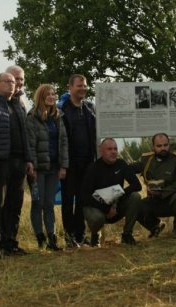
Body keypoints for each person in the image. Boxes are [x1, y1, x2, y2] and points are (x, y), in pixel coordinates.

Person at [0, 72, 34, 257]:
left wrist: (29, 160)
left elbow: (25, 135)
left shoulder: (18, 104)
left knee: (15, 204)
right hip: (0, 162)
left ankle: (10, 242)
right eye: (7, 82)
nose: (12, 85)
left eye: (14, 82)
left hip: (19, 162)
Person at [26, 84, 69, 250]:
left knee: (49, 204)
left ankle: (52, 239)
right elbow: (30, 145)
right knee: (38, 203)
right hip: (38, 169)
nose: (52, 97)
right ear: (41, 96)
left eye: (53, 94)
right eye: (48, 94)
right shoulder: (32, 117)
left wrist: (63, 166)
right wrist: (33, 167)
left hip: (53, 167)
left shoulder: (58, 116)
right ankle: (39, 237)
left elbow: (64, 142)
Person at [80, 138, 142, 246]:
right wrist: (106, 208)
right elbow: (84, 196)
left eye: (115, 149)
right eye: (109, 149)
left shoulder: (121, 164)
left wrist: (118, 197)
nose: (113, 151)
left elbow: (137, 185)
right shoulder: (93, 168)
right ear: (101, 151)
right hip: (98, 208)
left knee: (135, 197)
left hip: (116, 206)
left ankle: (127, 235)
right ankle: (95, 235)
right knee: (97, 218)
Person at [61, 74, 97, 248]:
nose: (82, 88)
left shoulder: (90, 108)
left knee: (83, 200)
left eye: (84, 86)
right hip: (69, 163)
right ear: (70, 88)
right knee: (68, 201)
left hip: (88, 162)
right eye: (79, 86)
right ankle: (69, 238)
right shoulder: (62, 109)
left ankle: (80, 235)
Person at [131, 133, 176, 236]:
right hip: (154, 201)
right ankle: (155, 227)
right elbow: (129, 169)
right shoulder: (146, 159)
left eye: (165, 145)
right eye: (159, 146)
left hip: (171, 200)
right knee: (136, 204)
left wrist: (161, 193)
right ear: (153, 147)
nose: (163, 148)